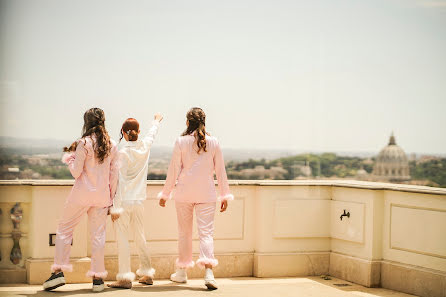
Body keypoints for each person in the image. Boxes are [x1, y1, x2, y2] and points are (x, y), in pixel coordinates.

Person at [43, 107, 118, 292]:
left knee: (64, 230)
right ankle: (98, 279)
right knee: (98, 236)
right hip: (102, 197)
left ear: (87, 122)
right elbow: (114, 176)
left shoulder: (83, 143)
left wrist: (69, 158)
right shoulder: (112, 145)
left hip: (81, 194)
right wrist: (111, 200)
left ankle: (58, 271)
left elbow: (76, 172)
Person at [158, 107, 233, 290]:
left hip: (184, 193)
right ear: (204, 122)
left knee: (184, 233)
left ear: (187, 123)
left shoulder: (181, 141)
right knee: (206, 233)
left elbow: (173, 170)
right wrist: (224, 194)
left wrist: (166, 193)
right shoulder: (213, 142)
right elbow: (220, 171)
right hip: (206, 194)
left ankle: (182, 273)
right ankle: (209, 273)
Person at [107, 113, 163, 289]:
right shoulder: (144, 148)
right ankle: (147, 273)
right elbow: (151, 135)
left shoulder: (122, 153)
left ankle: (124, 278)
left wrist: (114, 208)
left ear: (123, 133)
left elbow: (118, 182)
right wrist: (156, 121)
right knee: (140, 236)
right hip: (139, 201)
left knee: (122, 239)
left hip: (123, 202)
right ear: (138, 131)